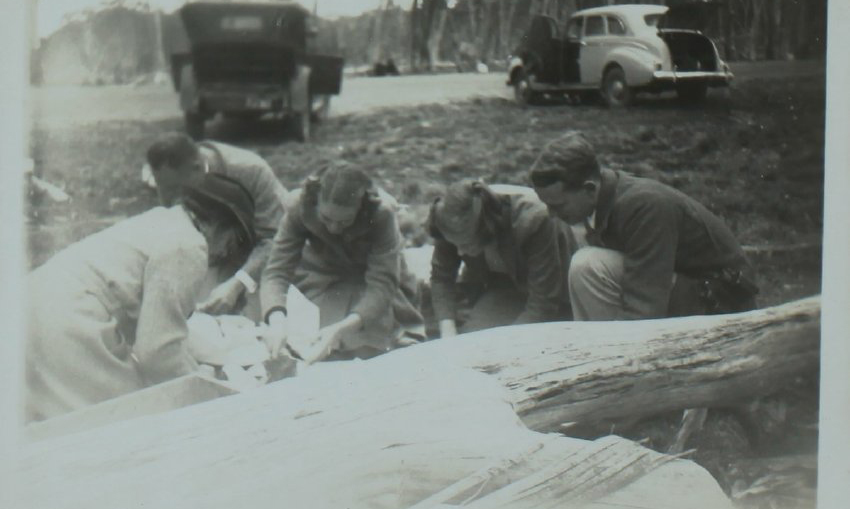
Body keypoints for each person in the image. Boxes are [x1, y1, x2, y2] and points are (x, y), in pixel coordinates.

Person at [26, 173, 256, 421]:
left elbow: (164, 328)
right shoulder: (189, 246)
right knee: (129, 420)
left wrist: (205, 358)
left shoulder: (163, 219)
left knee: (48, 426)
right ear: (219, 224)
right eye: (234, 239)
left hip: (34, 300)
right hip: (69, 320)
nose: (227, 251)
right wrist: (205, 388)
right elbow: (158, 354)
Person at [528, 131, 758, 321]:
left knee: (587, 266)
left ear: (589, 188)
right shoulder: (601, 203)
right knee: (585, 265)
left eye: (558, 205)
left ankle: (617, 363)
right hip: (684, 287)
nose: (551, 214)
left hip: (722, 300)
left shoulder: (644, 206)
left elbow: (645, 307)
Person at [261, 161, 425, 362]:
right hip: (328, 274)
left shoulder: (381, 213)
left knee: (372, 348)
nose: (333, 229)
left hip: (375, 282)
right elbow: (276, 271)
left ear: (361, 208)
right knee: (313, 346)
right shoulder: (299, 205)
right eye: (326, 218)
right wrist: (276, 320)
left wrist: (341, 329)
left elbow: (382, 285)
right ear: (315, 201)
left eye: (344, 222)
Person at [145, 133, 288, 318]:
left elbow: (275, 240)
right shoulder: (172, 172)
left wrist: (238, 284)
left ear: (196, 168)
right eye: (160, 187)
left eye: (174, 189)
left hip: (270, 246)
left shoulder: (252, 170)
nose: (165, 199)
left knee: (257, 318)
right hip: (224, 241)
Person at [428, 180, 576, 337]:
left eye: (465, 244)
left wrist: (505, 343)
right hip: (503, 287)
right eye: (454, 244)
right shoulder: (448, 217)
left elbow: (544, 302)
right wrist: (447, 330)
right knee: (472, 342)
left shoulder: (535, 219)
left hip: (555, 294)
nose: (458, 252)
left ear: (486, 230)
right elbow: (441, 276)